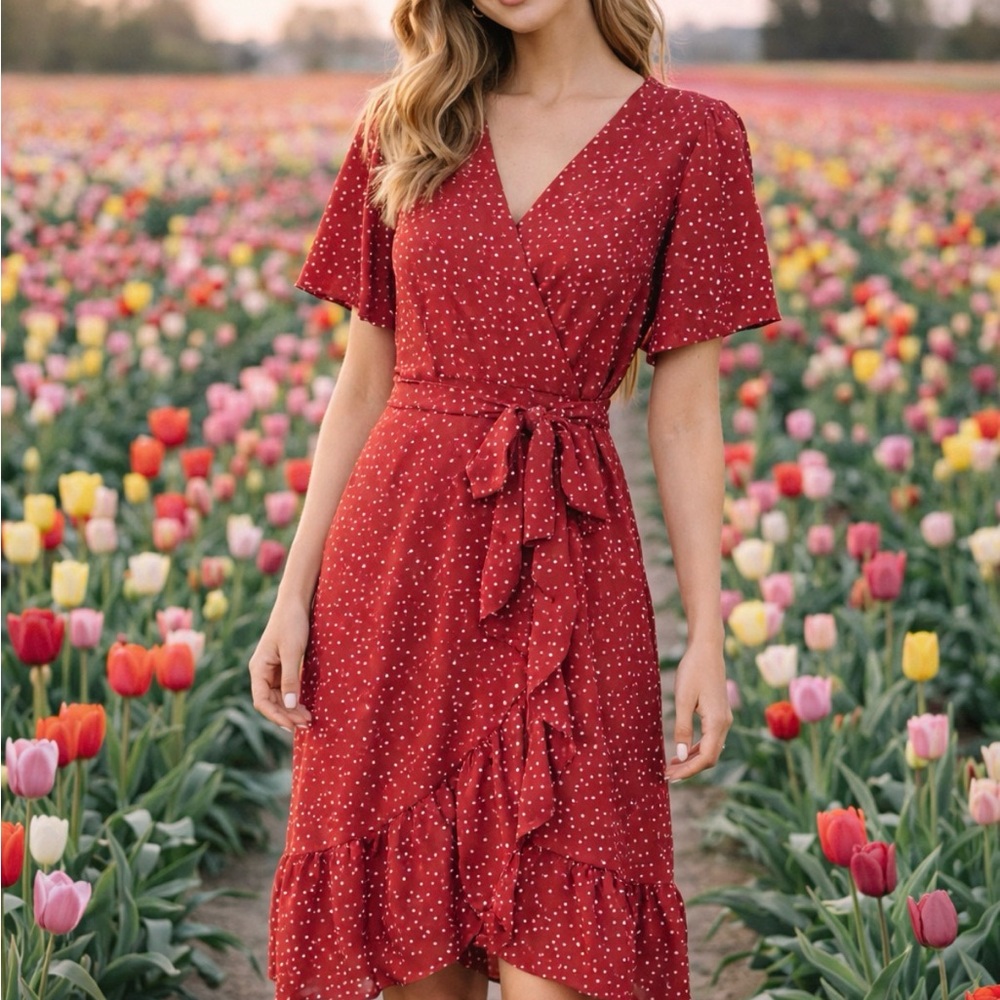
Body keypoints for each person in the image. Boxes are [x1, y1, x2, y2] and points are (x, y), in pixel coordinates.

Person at [251, 0, 782, 997]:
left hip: (572, 564)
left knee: (567, 956)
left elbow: (686, 408)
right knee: (416, 960)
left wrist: (707, 628)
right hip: (399, 566)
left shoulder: (693, 136)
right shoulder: (404, 123)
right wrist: (294, 591)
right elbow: (363, 382)